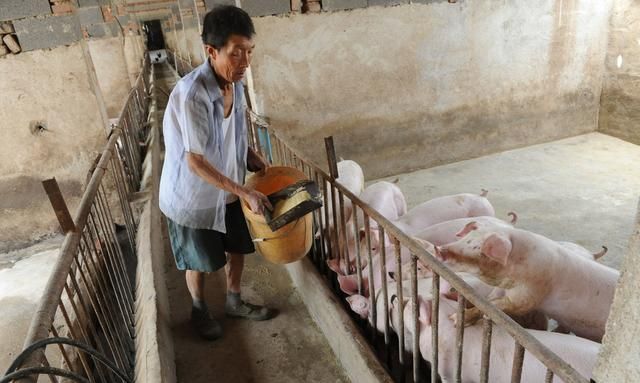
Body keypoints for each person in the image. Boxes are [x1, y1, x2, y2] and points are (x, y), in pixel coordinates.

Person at [159, 5, 276, 341]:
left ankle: (235, 301)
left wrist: (250, 154)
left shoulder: (234, 82)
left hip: (228, 187)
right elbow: (194, 161)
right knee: (200, 260)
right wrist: (245, 192)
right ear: (211, 51)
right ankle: (198, 309)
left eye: (249, 51)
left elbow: (233, 130)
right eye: (236, 52)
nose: (245, 62)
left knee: (238, 247)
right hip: (192, 194)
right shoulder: (192, 93)